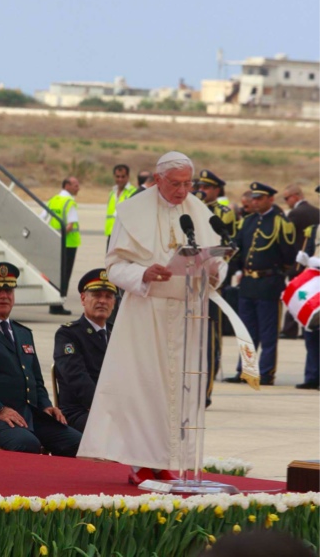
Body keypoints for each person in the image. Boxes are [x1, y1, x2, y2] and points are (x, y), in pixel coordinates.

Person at [78, 151, 226, 484]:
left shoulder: (198, 211)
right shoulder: (132, 212)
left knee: (179, 391)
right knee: (145, 389)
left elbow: (216, 255)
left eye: (188, 183)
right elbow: (114, 267)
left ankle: (166, 460)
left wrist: (216, 269)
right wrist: (144, 272)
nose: (182, 190)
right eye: (175, 183)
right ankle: (140, 462)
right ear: (158, 179)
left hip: (188, 315)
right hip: (146, 312)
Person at [0, 262, 81, 455]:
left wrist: (46, 405)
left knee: (77, 442)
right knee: (27, 443)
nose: (4, 295)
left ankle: (56, 485)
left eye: (9, 290)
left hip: (27, 415)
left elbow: (36, 380)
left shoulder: (22, 333)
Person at [224, 182, 296, 386]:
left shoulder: (280, 222)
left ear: (270, 199)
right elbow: (238, 247)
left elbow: (288, 255)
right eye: (253, 198)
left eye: (260, 198)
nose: (255, 201)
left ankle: (265, 373)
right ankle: (246, 371)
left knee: (268, 333)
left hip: (268, 283)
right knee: (246, 332)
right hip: (247, 283)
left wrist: (276, 273)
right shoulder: (248, 221)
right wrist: (238, 269)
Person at [53, 268, 117, 432]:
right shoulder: (68, 334)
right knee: (117, 430)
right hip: (79, 411)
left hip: (113, 409)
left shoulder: (118, 333)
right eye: (96, 295)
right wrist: (104, 408)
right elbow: (77, 378)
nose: (102, 301)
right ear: (83, 298)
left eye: (108, 296)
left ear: (114, 303)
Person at [197, 170, 238, 405]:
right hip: (188, 283)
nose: (202, 189)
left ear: (216, 190)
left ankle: (206, 392)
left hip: (211, 284)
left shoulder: (223, 213)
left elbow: (226, 247)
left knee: (211, 339)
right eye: (200, 185)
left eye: (207, 187)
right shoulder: (189, 208)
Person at [280, 183, 320, 339]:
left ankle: (293, 329)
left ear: (295, 196)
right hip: (311, 271)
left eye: (286, 198)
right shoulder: (316, 220)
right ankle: (307, 326)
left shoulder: (295, 213)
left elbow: (288, 239)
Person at [293, 185, 320, 390]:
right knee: (311, 330)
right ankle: (312, 376)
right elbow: (311, 252)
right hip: (316, 284)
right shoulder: (316, 228)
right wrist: (306, 259)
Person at [42, 177, 81, 315]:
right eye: (76, 185)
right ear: (67, 185)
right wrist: (62, 235)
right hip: (68, 244)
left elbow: (42, 218)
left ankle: (53, 302)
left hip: (54, 242)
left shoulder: (54, 200)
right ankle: (57, 304)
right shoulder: (70, 202)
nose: (78, 188)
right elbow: (70, 225)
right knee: (64, 274)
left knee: (54, 274)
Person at [104, 164, 136, 249]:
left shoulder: (133, 192)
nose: (120, 179)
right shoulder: (112, 193)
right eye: (117, 176)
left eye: (123, 177)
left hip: (124, 235)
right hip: (111, 234)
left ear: (128, 177)